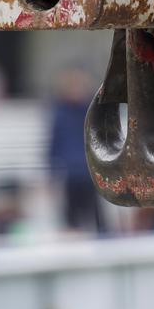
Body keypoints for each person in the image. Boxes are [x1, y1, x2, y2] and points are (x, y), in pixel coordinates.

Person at [47, 69, 104, 235]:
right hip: (71, 173)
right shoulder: (60, 113)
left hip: (90, 172)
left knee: (96, 217)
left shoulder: (91, 110)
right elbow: (54, 144)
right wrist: (51, 174)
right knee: (72, 220)